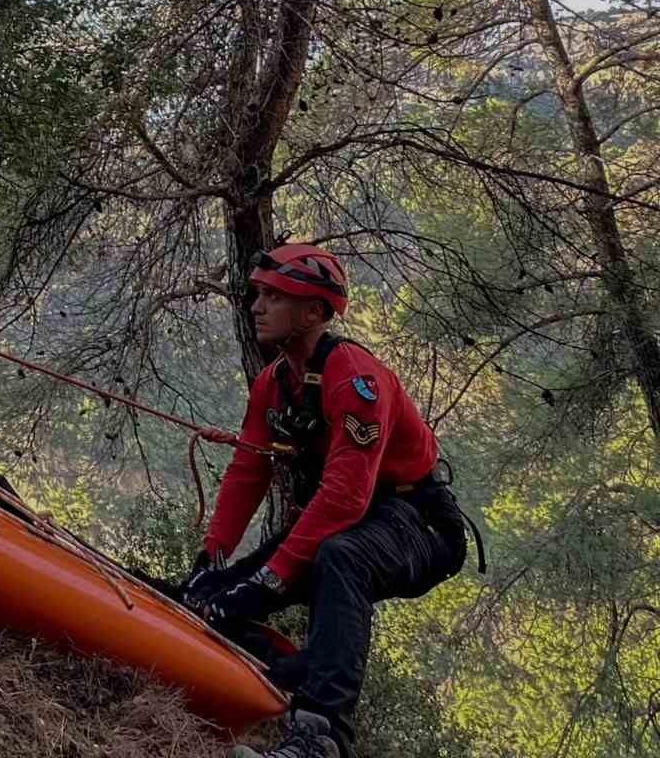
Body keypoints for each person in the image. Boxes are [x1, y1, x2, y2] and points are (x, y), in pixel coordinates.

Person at [179, 244, 472, 758]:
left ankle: (323, 738)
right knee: (220, 593)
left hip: (419, 524)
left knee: (340, 557)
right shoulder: (274, 384)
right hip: (352, 519)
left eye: (274, 297)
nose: (256, 306)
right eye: (257, 295)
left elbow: (345, 495)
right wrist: (212, 559)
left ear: (313, 312)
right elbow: (248, 471)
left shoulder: (356, 379)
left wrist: (272, 578)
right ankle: (284, 674)